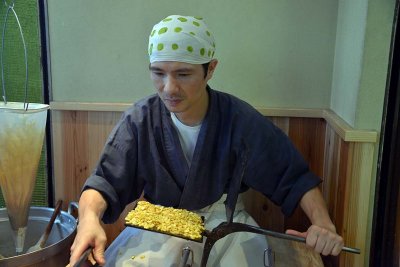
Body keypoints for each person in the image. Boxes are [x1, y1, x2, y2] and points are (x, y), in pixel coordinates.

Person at [68, 15, 344, 266]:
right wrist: (88, 218)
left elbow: (294, 177)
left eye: (183, 74)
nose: (169, 88)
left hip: (226, 227)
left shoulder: (238, 119)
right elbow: (104, 182)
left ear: (210, 69)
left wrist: (323, 224)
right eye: (158, 73)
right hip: (158, 227)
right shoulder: (140, 120)